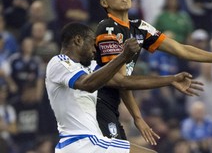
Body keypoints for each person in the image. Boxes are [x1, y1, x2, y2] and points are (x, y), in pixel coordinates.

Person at [91, 0, 212, 145]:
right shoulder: (108, 28)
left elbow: (181, 49)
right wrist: (170, 80)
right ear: (104, 2)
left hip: (111, 104)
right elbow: (120, 81)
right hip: (95, 103)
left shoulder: (140, 27)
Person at [46, 22, 203, 153]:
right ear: (78, 40)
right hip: (83, 142)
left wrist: (171, 80)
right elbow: (88, 84)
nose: (95, 49)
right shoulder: (59, 62)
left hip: (82, 144)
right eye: (91, 42)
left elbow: (123, 82)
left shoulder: (89, 68)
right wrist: (123, 56)